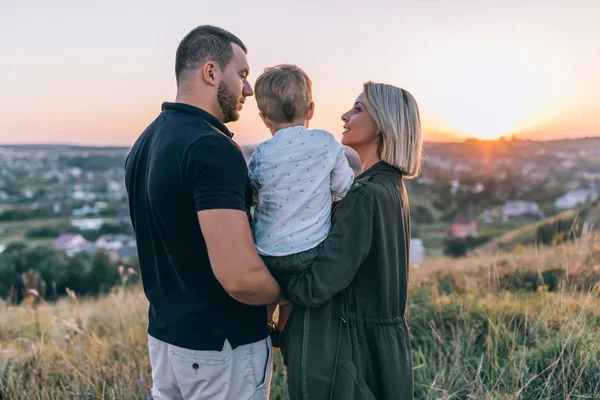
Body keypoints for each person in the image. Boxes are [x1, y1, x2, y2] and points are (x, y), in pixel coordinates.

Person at [124, 25, 283, 400]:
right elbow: (240, 277)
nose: (248, 89)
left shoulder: (144, 143)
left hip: (166, 343)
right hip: (221, 351)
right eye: (242, 74)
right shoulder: (211, 147)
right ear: (211, 73)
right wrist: (292, 295)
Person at [279, 82, 423, 400]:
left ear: (384, 123)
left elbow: (318, 284)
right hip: (385, 349)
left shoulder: (364, 194)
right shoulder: (391, 187)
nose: (345, 115)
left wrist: (277, 280)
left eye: (358, 109)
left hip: (354, 355)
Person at [248, 64, 354, 333]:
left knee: (269, 290)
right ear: (311, 110)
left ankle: (263, 328)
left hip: (267, 250)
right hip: (310, 249)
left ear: (264, 118)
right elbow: (345, 187)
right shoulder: (326, 142)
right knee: (292, 295)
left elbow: (251, 193)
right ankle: (284, 331)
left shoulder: (262, 153)